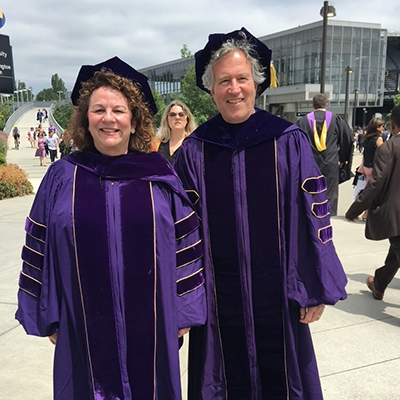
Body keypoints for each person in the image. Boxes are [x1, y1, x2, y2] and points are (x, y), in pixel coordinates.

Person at [16, 56, 206, 400]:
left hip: (152, 324)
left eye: (118, 110)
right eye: (98, 109)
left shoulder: (160, 176)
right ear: (84, 121)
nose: (108, 118)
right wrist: (49, 313)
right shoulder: (62, 176)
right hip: (82, 324)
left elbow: (186, 245)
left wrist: (185, 310)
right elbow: (38, 246)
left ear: (134, 121)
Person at [175, 27, 347, 400]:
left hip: (279, 302)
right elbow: (179, 233)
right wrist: (183, 302)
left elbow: (313, 218)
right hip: (218, 306)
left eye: (242, 78)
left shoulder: (287, 140)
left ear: (257, 82)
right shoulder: (194, 151)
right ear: (211, 88)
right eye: (224, 81)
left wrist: (312, 286)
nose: (234, 88)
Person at [345, 106, 400, 301]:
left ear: (393, 125)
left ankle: (379, 284)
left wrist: (354, 209)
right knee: (395, 252)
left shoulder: (389, 147)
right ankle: (379, 284)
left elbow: (375, 184)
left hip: (396, 215)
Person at [297, 93, 353, 216]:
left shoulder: (303, 122)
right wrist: (343, 159)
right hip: (331, 163)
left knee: (310, 192)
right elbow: (347, 139)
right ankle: (327, 220)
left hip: (309, 164)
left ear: (312, 106)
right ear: (326, 105)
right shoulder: (336, 120)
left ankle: (311, 216)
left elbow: (296, 143)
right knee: (329, 194)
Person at [357, 118, 384, 220]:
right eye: (382, 126)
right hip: (375, 168)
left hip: (366, 167)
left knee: (368, 191)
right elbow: (383, 154)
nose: (383, 128)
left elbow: (364, 154)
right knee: (372, 192)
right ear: (377, 127)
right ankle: (365, 213)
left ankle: (364, 212)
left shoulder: (366, 138)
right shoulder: (378, 139)